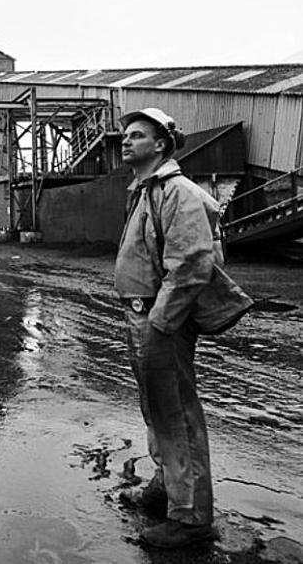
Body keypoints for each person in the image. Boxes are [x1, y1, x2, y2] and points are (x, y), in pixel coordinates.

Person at [114, 108, 219, 549]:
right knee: (157, 409)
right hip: (143, 315)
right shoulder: (145, 191)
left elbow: (193, 265)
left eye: (136, 135)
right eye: (125, 135)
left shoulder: (178, 192)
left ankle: (192, 517)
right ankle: (168, 486)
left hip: (162, 320)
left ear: (160, 145)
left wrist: (160, 321)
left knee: (176, 413)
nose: (126, 141)